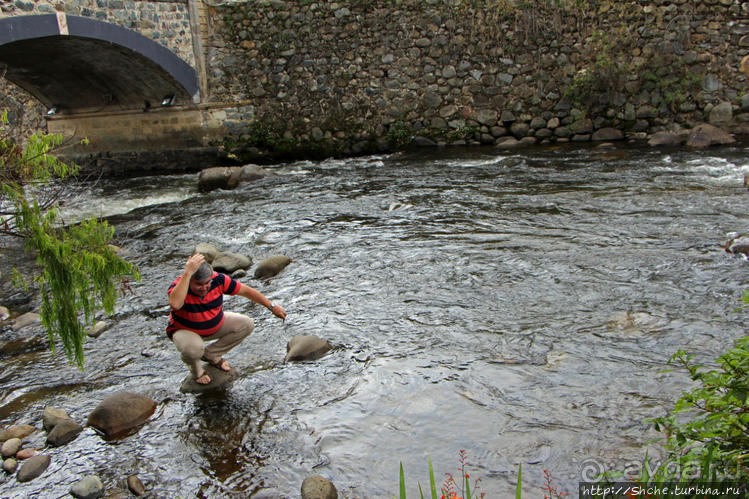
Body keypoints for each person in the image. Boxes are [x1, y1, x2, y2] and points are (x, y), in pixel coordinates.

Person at [167, 253, 286, 384]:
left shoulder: (218, 280)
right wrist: (188, 272)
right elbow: (175, 304)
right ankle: (197, 371)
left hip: (215, 324)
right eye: (199, 285)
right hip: (185, 331)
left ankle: (212, 355)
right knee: (194, 349)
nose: (204, 287)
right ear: (189, 280)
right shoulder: (180, 286)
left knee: (246, 324)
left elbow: (246, 291)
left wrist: (272, 306)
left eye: (207, 283)